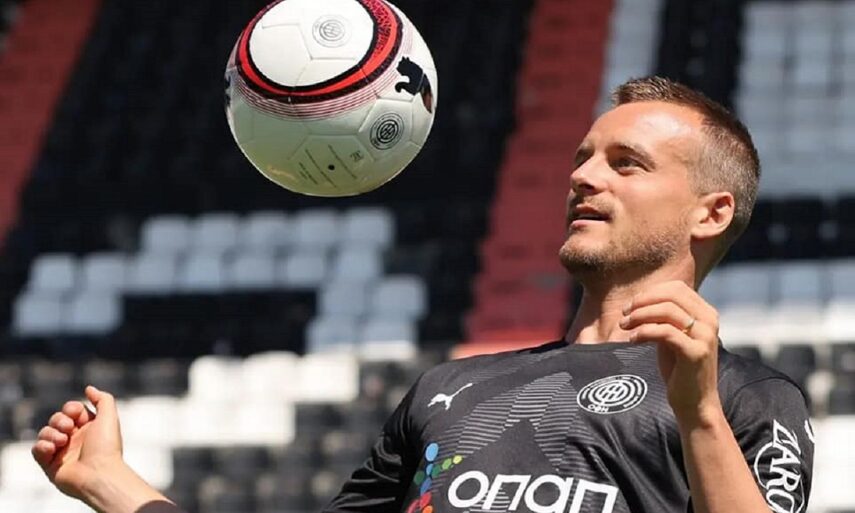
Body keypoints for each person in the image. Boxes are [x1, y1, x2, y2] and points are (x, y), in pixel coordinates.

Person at [32, 76, 813, 513]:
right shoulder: (451, 386)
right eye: (581, 157)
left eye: (625, 163)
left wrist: (697, 412)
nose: (581, 176)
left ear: (710, 212)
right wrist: (111, 484)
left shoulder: (746, 398)